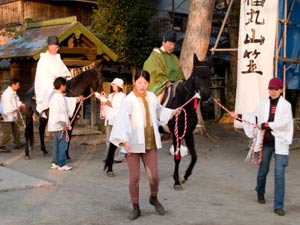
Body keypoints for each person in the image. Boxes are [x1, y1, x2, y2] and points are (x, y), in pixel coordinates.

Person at [109, 70, 175, 220]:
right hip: (132, 143)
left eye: (145, 83)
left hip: (150, 141)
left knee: (154, 176)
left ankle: (153, 197)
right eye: (140, 82)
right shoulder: (128, 100)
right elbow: (122, 120)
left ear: (148, 83)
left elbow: (159, 111)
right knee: (135, 177)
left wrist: (172, 112)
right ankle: (135, 206)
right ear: (134, 82)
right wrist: (124, 140)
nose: (142, 85)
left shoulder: (152, 97)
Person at [231, 77, 293, 216]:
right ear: (268, 89)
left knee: (279, 175)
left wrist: (266, 125)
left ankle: (278, 205)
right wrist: (239, 116)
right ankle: (260, 191)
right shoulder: (263, 103)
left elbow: (284, 123)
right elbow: (254, 117)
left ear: (281, 90)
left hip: (280, 143)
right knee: (263, 171)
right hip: (265, 143)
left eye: (276, 89)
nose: (273, 91)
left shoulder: (286, 105)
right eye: (271, 89)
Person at [48, 77, 82, 171]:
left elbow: (68, 100)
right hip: (60, 125)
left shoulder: (56, 96)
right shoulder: (59, 97)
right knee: (63, 145)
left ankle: (54, 162)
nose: (65, 87)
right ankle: (62, 164)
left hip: (56, 125)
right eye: (65, 85)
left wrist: (78, 99)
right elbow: (60, 111)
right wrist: (63, 124)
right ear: (62, 86)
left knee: (56, 144)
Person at [143, 29, 185, 102]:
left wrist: (181, 81)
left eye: (173, 44)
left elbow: (179, 72)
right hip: (161, 84)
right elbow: (154, 69)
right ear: (163, 43)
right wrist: (164, 81)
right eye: (170, 44)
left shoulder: (174, 57)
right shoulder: (156, 54)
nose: (172, 47)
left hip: (174, 84)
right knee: (155, 101)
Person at [34, 35, 71, 117]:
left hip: (60, 82)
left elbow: (64, 70)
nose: (57, 50)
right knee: (51, 90)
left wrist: (65, 76)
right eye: (56, 47)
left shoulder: (58, 58)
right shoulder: (44, 58)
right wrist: (54, 78)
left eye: (58, 48)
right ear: (50, 47)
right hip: (48, 83)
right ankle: (45, 109)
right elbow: (42, 74)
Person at [98, 78, 126, 167]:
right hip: (109, 119)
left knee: (117, 138)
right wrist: (102, 98)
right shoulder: (110, 95)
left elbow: (114, 105)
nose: (113, 86)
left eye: (114, 84)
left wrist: (103, 99)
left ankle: (118, 156)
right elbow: (107, 103)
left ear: (119, 86)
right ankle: (109, 156)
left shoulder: (122, 96)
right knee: (108, 139)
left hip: (117, 120)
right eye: (113, 84)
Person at [0, 78, 25, 152]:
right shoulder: (7, 94)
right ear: (13, 85)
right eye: (18, 85)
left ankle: (17, 143)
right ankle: (2, 146)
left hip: (13, 115)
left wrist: (21, 104)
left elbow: (17, 100)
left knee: (16, 130)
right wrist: (17, 108)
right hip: (6, 116)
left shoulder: (13, 93)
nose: (19, 86)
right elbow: (7, 107)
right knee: (7, 132)